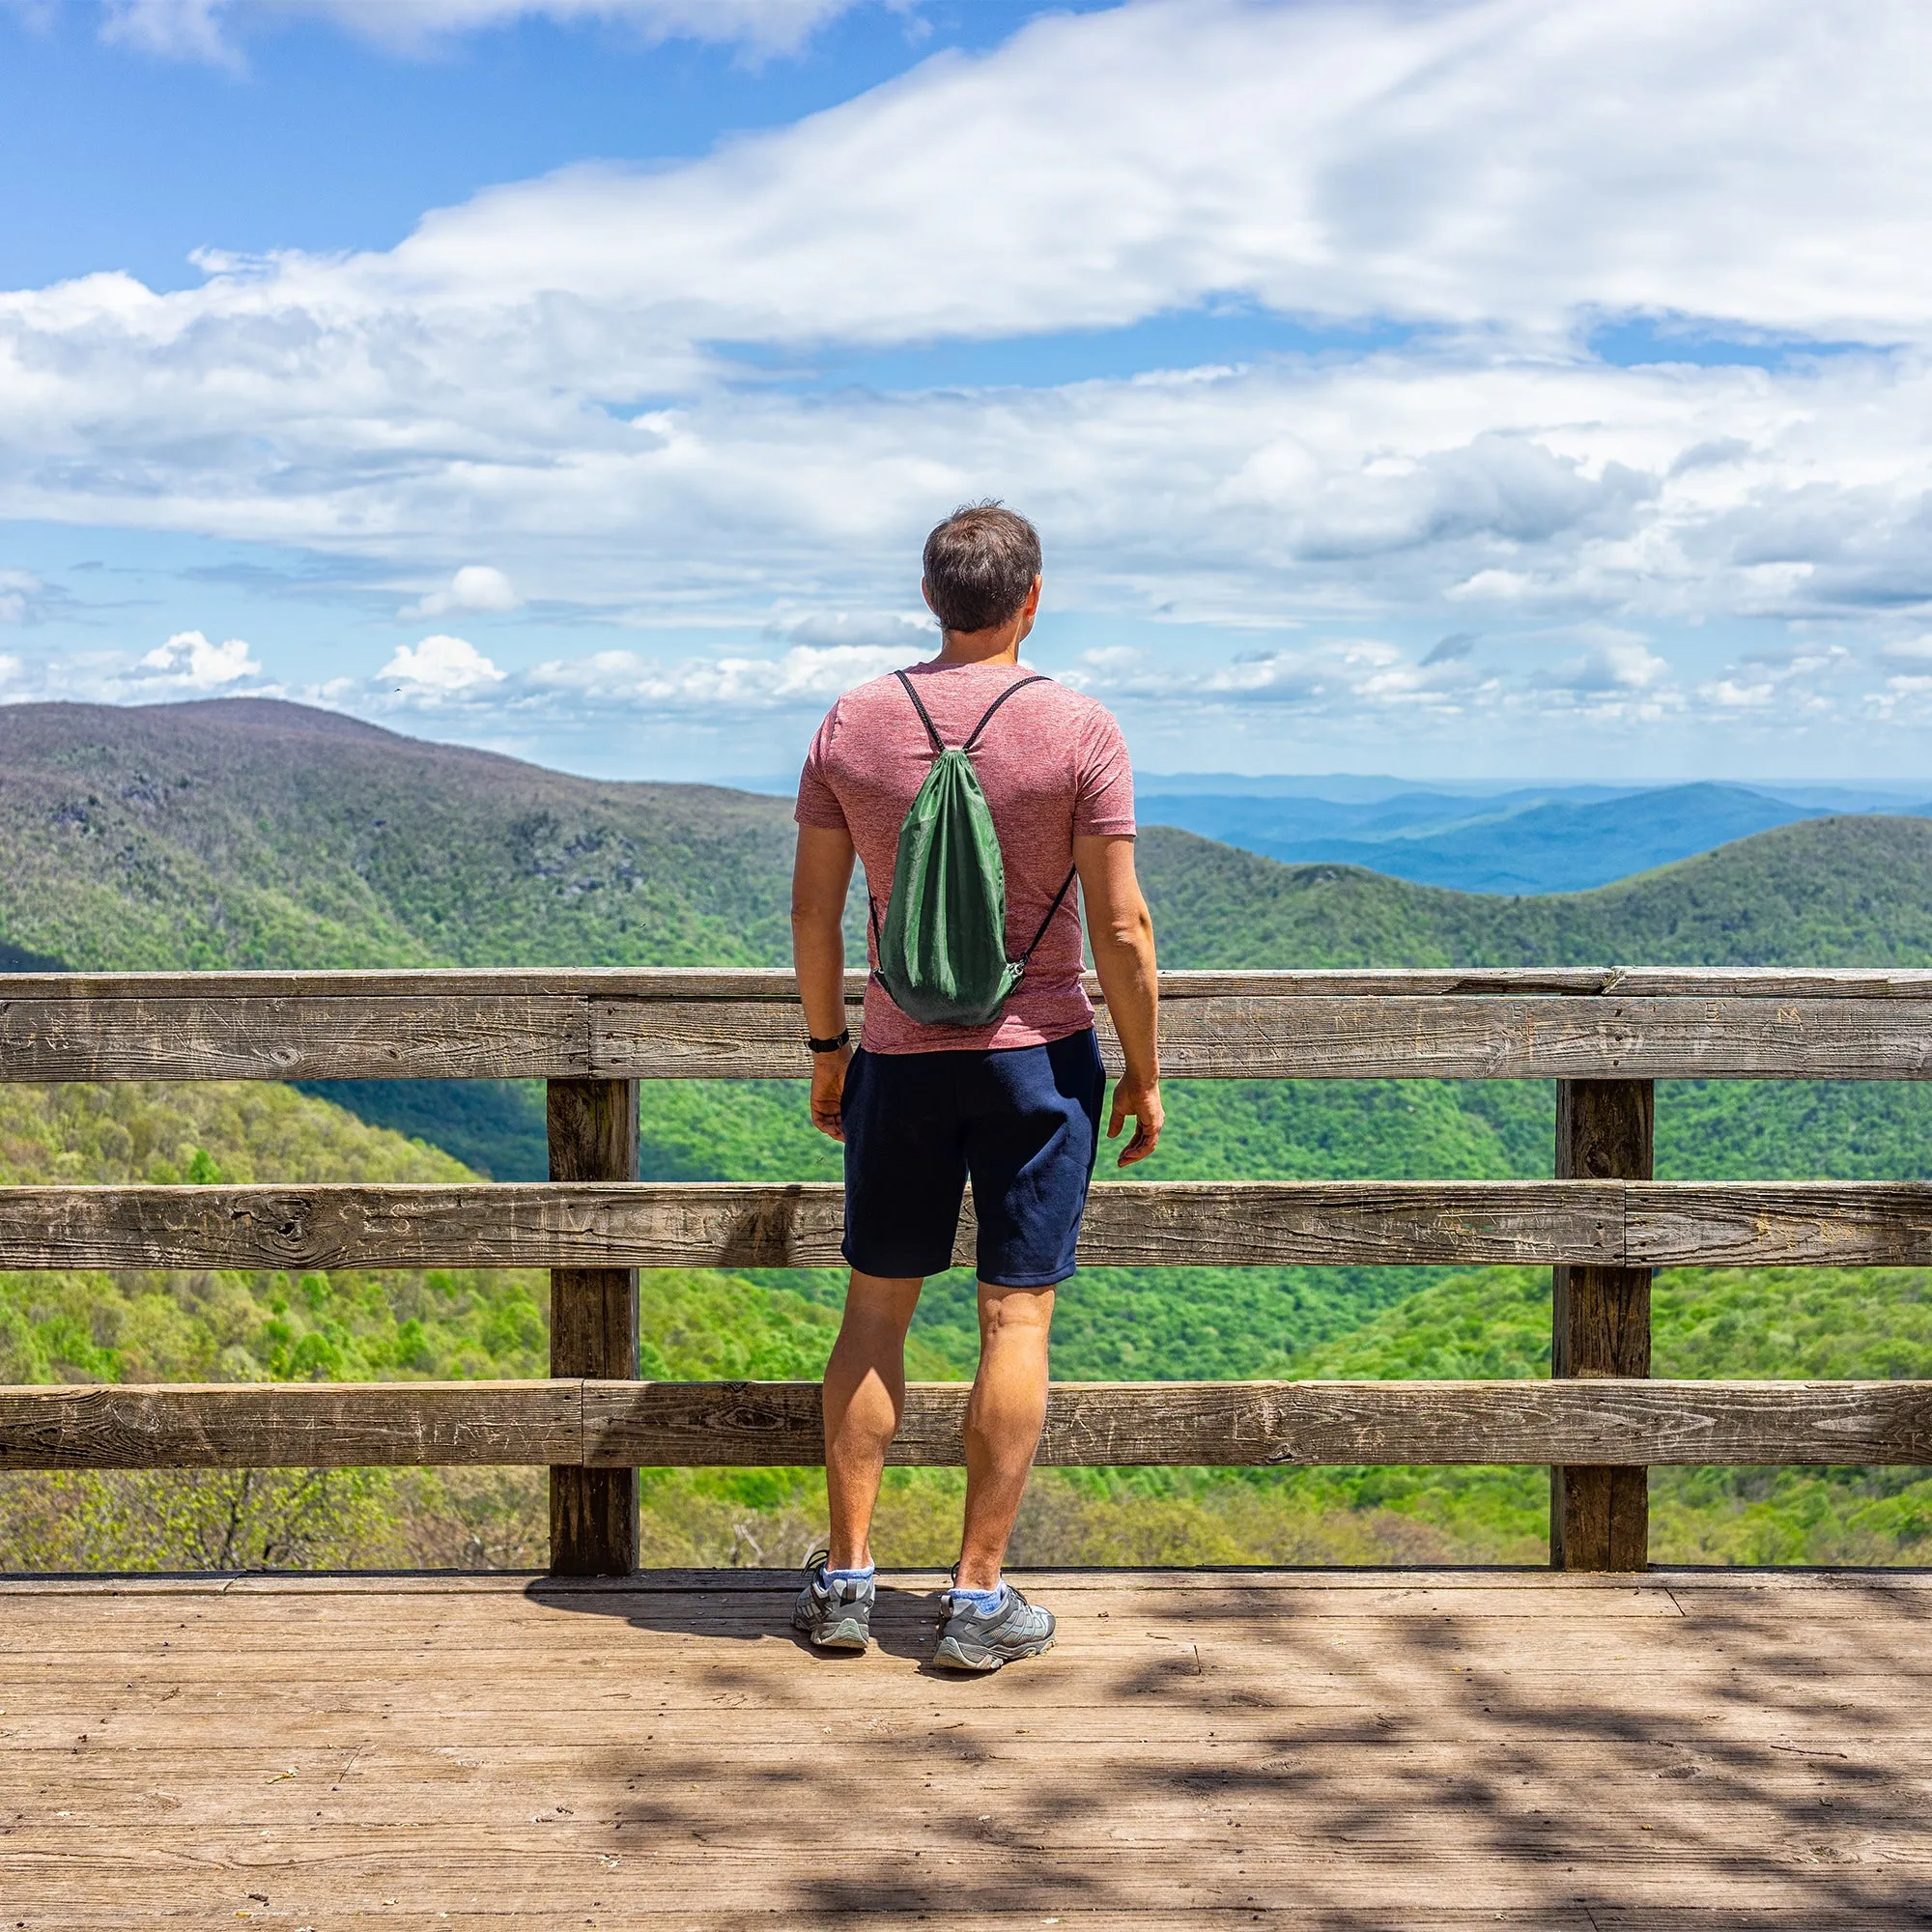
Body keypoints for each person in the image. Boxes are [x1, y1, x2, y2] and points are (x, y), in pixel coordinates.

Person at [788, 501, 1163, 1671]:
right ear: (1032, 596)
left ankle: (846, 1582)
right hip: (1038, 1058)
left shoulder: (853, 721)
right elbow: (1122, 925)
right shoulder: (1077, 727)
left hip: (896, 1058)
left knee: (872, 1314)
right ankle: (973, 1598)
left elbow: (811, 909)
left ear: (928, 594)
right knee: (1015, 1318)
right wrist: (1145, 1075)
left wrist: (825, 1046)